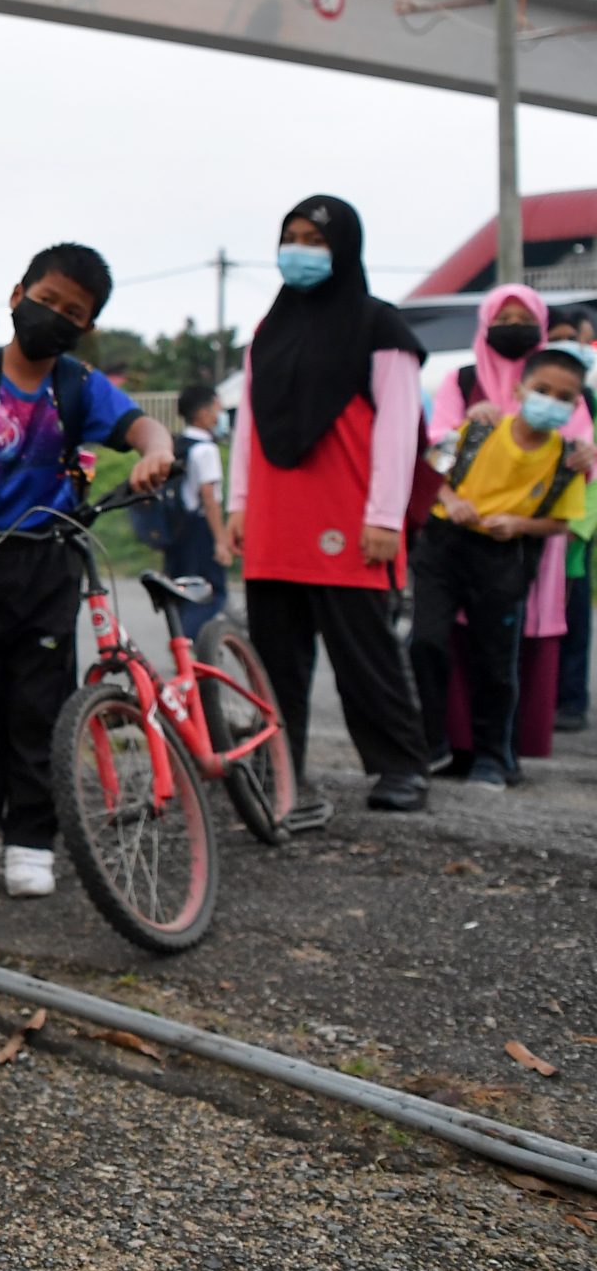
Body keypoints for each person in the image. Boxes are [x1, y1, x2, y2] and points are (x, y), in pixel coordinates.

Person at [0, 245, 175, 900]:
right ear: (18, 293)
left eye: (71, 312)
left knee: (40, 707)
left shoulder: (79, 386)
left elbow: (144, 430)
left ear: (88, 326)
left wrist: (155, 455)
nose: (54, 316)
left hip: (48, 567)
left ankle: (30, 840)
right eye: (46, 301)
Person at [226, 196, 432, 816]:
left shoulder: (381, 328)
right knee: (275, 656)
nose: (301, 249)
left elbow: (400, 430)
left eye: (315, 239)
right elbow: (248, 426)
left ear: (343, 247)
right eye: (292, 236)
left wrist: (385, 516)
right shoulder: (268, 330)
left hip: (349, 518)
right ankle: (278, 764)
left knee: (364, 652)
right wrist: (239, 502)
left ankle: (400, 766)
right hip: (274, 516)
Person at [424, 285, 596, 773]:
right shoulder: (461, 381)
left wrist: (584, 456)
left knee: (508, 643)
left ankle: (501, 751)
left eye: (525, 316)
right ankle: (452, 744)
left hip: (525, 536)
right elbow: (435, 448)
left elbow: (580, 449)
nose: (514, 324)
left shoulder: (561, 384)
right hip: (460, 528)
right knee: (444, 638)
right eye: (505, 316)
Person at [552, 311, 597, 732]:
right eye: (561, 339)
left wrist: (579, 526)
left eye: (580, 340)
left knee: (574, 615)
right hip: (552, 526)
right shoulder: (552, 401)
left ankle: (571, 702)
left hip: (579, 527)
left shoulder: (591, 401)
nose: (573, 348)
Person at [160, 382, 234, 636]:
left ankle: (180, 644)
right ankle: (191, 645)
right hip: (200, 530)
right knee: (213, 592)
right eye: (217, 409)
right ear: (203, 413)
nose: (220, 415)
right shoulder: (206, 449)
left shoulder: (178, 445)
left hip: (178, 529)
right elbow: (209, 498)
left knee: (182, 588)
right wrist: (221, 541)